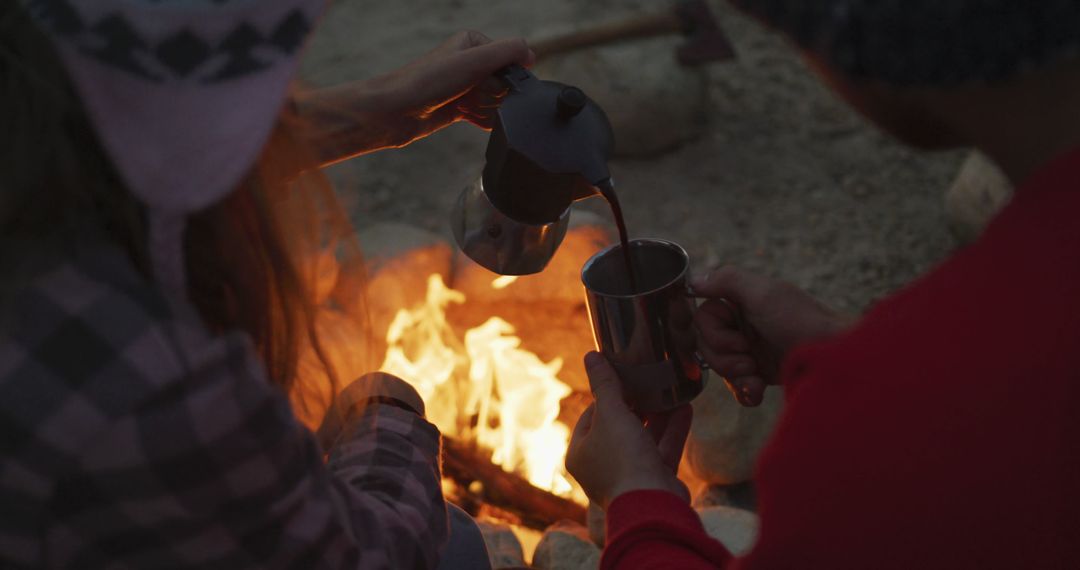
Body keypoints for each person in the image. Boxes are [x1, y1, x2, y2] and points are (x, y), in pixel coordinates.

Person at [0, 0, 532, 568]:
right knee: (456, 546)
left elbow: (157, 144)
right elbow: (369, 553)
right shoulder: (145, 376)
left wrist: (381, 111)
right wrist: (387, 410)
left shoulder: (34, 162)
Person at [566, 2, 1080, 568]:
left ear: (862, 48)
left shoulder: (845, 444)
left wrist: (636, 503)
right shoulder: (1020, 311)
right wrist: (846, 349)